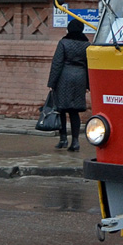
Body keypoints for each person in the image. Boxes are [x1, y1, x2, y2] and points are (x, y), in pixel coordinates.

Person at [48, 17, 90, 151]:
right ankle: (75, 142)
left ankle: (63, 139)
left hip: (64, 78)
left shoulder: (63, 43)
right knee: (74, 111)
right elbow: (89, 65)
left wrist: (52, 82)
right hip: (80, 78)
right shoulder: (87, 45)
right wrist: (88, 84)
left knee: (61, 108)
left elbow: (57, 63)